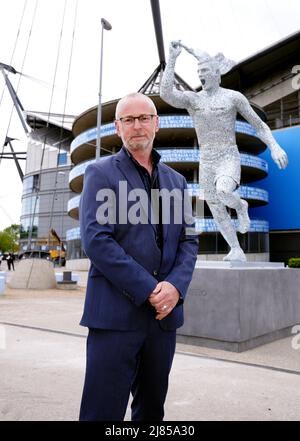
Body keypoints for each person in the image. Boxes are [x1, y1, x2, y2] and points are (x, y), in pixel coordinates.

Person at [79, 92, 199, 421]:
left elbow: (189, 242)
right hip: (115, 318)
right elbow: (97, 241)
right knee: (101, 413)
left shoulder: (176, 182)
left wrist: (174, 287)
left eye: (144, 118)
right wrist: (151, 289)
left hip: (163, 322)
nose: (137, 126)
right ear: (118, 128)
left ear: (156, 124)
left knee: (151, 413)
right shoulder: (100, 174)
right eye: (129, 120)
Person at [161, 41, 288, 262]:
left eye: (205, 70)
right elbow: (166, 94)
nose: (201, 75)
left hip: (228, 155)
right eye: (198, 71)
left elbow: (258, 124)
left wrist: (274, 146)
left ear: (217, 73)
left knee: (223, 191)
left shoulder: (233, 97)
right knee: (216, 208)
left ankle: (241, 206)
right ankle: (236, 249)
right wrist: (172, 59)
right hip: (206, 159)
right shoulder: (193, 99)